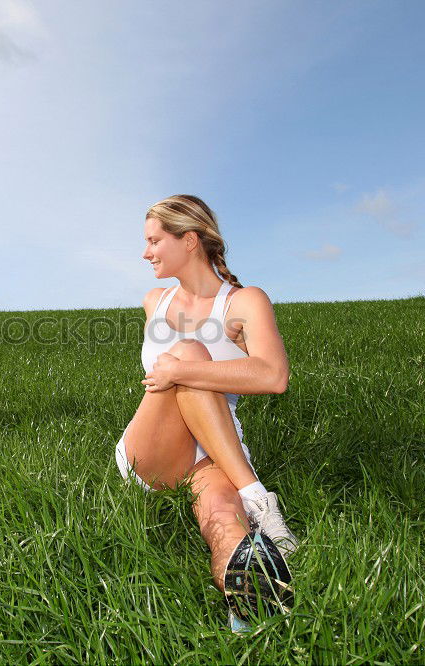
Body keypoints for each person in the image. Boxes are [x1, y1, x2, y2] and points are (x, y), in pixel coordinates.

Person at [113, 194, 298, 629]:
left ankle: (251, 611)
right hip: (156, 446)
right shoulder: (154, 301)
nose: (145, 252)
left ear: (190, 240)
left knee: (221, 516)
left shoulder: (244, 301)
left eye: (155, 241)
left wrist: (185, 369)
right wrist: (186, 366)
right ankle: (259, 498)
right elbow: (172, 377)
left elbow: (274, 376)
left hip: (217, 450)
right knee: (189, 351)